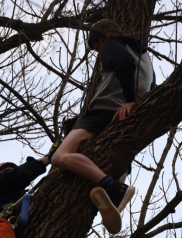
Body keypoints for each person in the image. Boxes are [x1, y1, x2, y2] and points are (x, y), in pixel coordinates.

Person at [50, 19, 156, 234]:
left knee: (59, 157)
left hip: (105, 110)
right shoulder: (144, 54)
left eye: (96, 47)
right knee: (122, 159)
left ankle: (110, 186)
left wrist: (129, 100)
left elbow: (124, 63)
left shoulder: (111, 44)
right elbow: (151, 86)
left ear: (103, 38)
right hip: (127, 115)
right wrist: (136, 104)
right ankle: (115, 196)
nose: (99, 52)